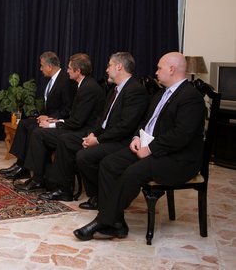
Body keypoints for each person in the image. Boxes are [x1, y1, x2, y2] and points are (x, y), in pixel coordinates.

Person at [73, 52, 206, 241]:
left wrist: (150, 149)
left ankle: (103, 221)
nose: (156, 72)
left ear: (172, 69)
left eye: (159, 68)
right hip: (153, 149)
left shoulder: (190, 97)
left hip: (178, 158)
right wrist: (136, 137)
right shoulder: (161, 93)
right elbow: (146, 121)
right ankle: (116, 223)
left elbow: (181, 135)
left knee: (133, 172)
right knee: (109, 163)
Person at [39, 52, 149, 202]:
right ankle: (64, 189)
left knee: (84, 156)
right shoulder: (115, 89)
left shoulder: (135, 90)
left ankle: (99, 195)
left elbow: (125, 127)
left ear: (119, 66)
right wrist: (93, 134)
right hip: (103, 135)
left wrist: (98, 139)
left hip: (120, 141)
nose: (106, 69)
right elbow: (102, 119)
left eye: (109, 65)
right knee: (65, 141)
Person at [15, 53, 104, 193]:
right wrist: (56, 121)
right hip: (77, 127)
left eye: (69, 68)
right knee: (39, 133)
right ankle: (41, 178)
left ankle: (40, 180)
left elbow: (77, 122)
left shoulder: (88, 88)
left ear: (78, 71)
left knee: (39, 134)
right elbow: (75, 118)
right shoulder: (84, 85)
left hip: (85, 132)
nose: (67, 70)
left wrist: (52, 124)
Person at [0, 51, 76, 180]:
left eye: (42, 66)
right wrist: (43, 115)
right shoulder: (54, 79)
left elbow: (68, 108)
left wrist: (50, 118)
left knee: (33, 129)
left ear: (50, 67)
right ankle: (21, 165)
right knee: (24, 123)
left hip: (57, 120)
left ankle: (28, 168)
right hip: (47, 116)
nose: (40, 69)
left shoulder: (65, 81)